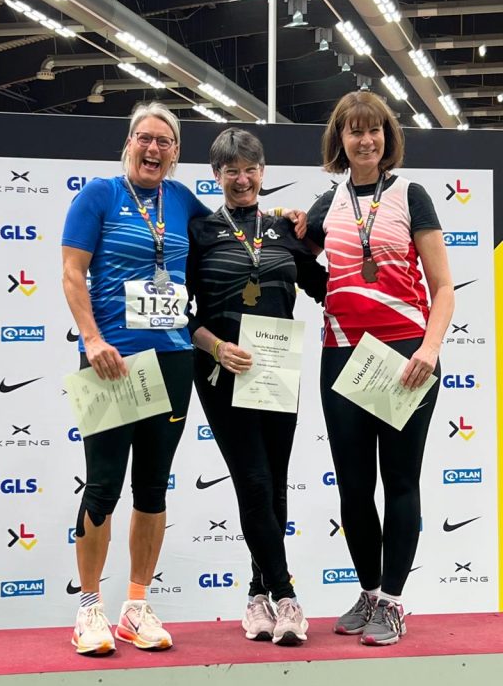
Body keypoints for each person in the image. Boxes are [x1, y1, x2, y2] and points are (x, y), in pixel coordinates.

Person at [306, 91, 454, 646]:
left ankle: (392, 603)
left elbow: (443, 287)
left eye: (374, 130)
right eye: (354, 131)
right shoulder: (327, 204)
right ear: (340, 139)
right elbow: (297, 265)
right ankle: (369, 592)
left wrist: (429, 350)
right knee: (353, 487)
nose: (365, 140)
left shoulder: (411, 195)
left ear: (387, 137)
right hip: (343, 354)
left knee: (400, 481)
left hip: (405, 356)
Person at [62, 102, 209, 656]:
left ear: (176, 152)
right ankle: (89, 608)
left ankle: (136, 607)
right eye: (144, 138)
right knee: (102, 484)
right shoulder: (98, 195)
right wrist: (92, 340)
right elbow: (72, 271)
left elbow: (230, 232)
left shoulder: (182, 200)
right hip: (112, 362)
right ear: (128, 143)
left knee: (152, 486)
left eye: (164, 141)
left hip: (171, 361)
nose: (153, 149)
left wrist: (284, 219)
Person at [187, 128, 327, 645]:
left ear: (263, 173)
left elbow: (326, 286)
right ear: (216, 175)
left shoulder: (283, 228)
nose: (242, 179)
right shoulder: (200, 231)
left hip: (278, 369)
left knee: (276, 483)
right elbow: (178, 311)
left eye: (250, 169)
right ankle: (286, 595)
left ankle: (256, 595)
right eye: (231, 171)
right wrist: (215, 347)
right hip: (225, 371)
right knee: (254, 481)